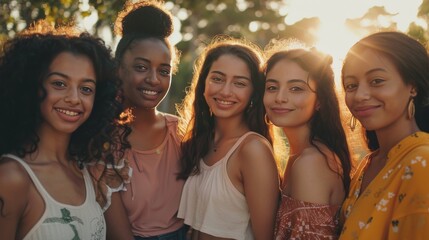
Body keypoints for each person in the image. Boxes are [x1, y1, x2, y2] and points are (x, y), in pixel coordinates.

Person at [0, 21, 127, 240]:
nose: (74, 99)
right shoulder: (11, 178)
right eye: (59, 84)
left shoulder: (88, 172)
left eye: (86, 89)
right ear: (31, 86)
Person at [176, 37, 280, 240]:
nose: (225, 91)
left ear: (253, 93)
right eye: (217, 79)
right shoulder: (201, 143)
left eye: (239, 83)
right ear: (204, 83)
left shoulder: (252, 150)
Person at [102, 1, 186, 239]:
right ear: (118, 69)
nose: (154, 80)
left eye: (164, 71)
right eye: (141, 67)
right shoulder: (102, 139)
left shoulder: (181, 132)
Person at [339, 31, 429, 239]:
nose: (360, 95)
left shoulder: (421, 162)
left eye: (376, 81)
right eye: (351, 85)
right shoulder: (368, 163)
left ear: (412, 86)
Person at [263, 45, 352, 239]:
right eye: (272, 87)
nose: (280, 97)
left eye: (296, 88)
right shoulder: (300, 155)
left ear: (319, 100)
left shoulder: (311, 162)